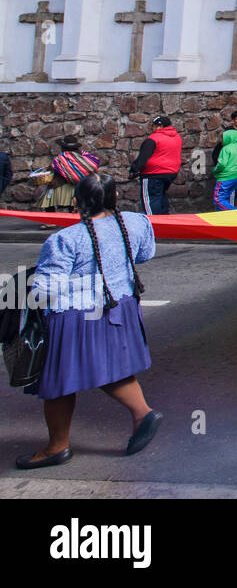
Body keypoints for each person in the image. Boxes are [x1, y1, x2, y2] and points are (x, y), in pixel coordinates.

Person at [16, 174, 163, 469]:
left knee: (57, 382)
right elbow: (145, 254)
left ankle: (57, 447)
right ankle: (142, 413)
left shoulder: (64, 240)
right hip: (120, 306)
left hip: (76, 316)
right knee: (109, 368)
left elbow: (46, 289)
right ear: (116, 195)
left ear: (75, 202)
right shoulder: (136, 223)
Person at [128, 117, 181, 216]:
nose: (152, 129)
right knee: (161, 196)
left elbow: (143, 158)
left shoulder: (153, 139)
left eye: (153, 126)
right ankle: (165, 221)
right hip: (171, 173)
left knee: (150, 201)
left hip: (153, 174)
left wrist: (134, 170)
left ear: (159, 126)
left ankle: (155, 224)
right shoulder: (177, 137)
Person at [38, 136, 100, 212]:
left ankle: (51, 221)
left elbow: (53, 169)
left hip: (61, 187)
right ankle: (73, 219)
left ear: (63, 147)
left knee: (49, 194)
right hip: (79, 186)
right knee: (72, 206)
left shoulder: (61, 158)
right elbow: (92, 165)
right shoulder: (84, 156)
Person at [211, 129, 237, 211]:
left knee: (218, 199)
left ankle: (234, 212)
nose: (221, 140)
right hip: (236, 176)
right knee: (226, 198)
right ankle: (222, 218)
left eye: (222, 138)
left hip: (225, 177)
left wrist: (215, 170)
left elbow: (222, 164)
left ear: (228, 138)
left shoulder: (225, 149)